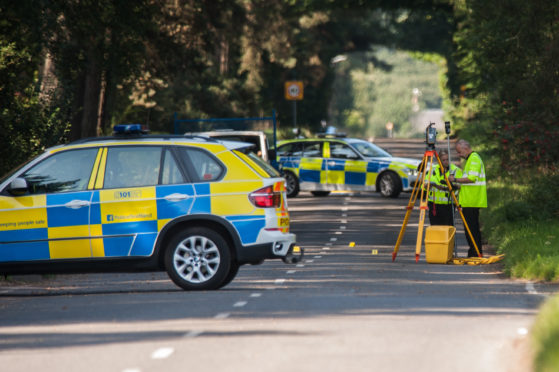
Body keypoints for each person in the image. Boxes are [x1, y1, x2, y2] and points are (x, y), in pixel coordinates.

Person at [449, 139, 487, 257]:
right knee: (469, 229)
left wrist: (455, 180)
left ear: (465, 148)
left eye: (460, 152)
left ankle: (476, 252)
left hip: (473, 200)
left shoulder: (474, 159)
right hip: (468, 200)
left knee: (472, 229)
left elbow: (472, 179)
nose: (459, 155)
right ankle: (473, 251)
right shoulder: (470, 159)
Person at [425, 148, 461, 226]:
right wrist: (426, 185)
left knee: (447, 230)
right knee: (435, 229)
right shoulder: (432, 169)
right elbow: (423, 185)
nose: (446, 162)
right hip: (434, 205)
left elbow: (458, 187)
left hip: (448, 205)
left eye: (447, 159)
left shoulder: (455, 170)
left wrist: (439, 186)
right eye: (443, 160)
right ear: (439, 160)